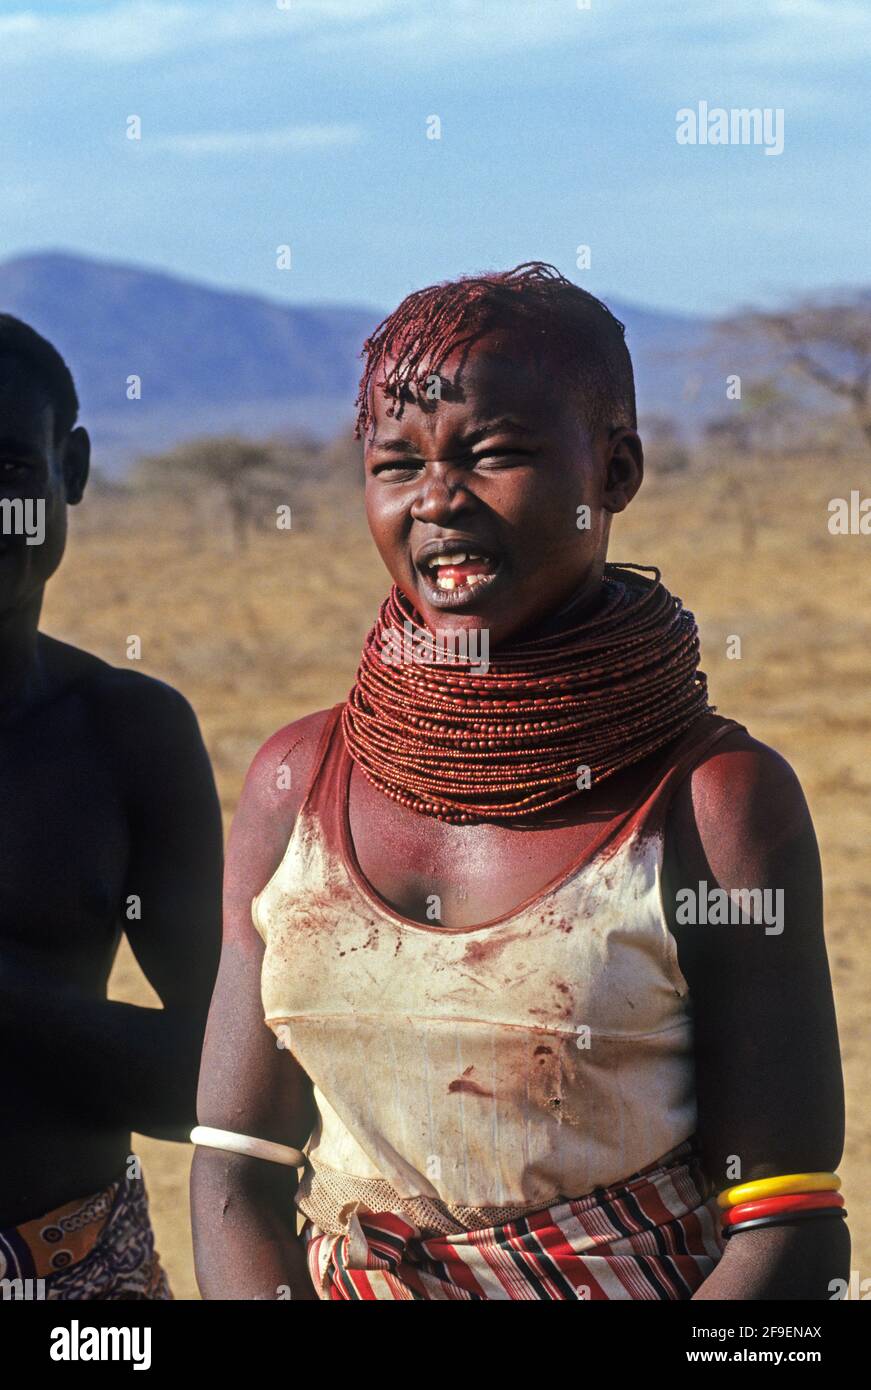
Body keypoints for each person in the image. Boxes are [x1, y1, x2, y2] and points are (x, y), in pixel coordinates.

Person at [192, 264, 847, 1301]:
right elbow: (235, 1168)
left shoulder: (714, 802)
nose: (438, 498)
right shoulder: (294, 780)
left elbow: (787, 1218)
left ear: (616, 471)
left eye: (494, 454)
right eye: (396, 463)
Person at [0, 315, 223, 1299]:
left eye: (8, 466)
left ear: (72, 469)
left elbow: (230, 1084)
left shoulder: (128, 734)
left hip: (84, 1284)